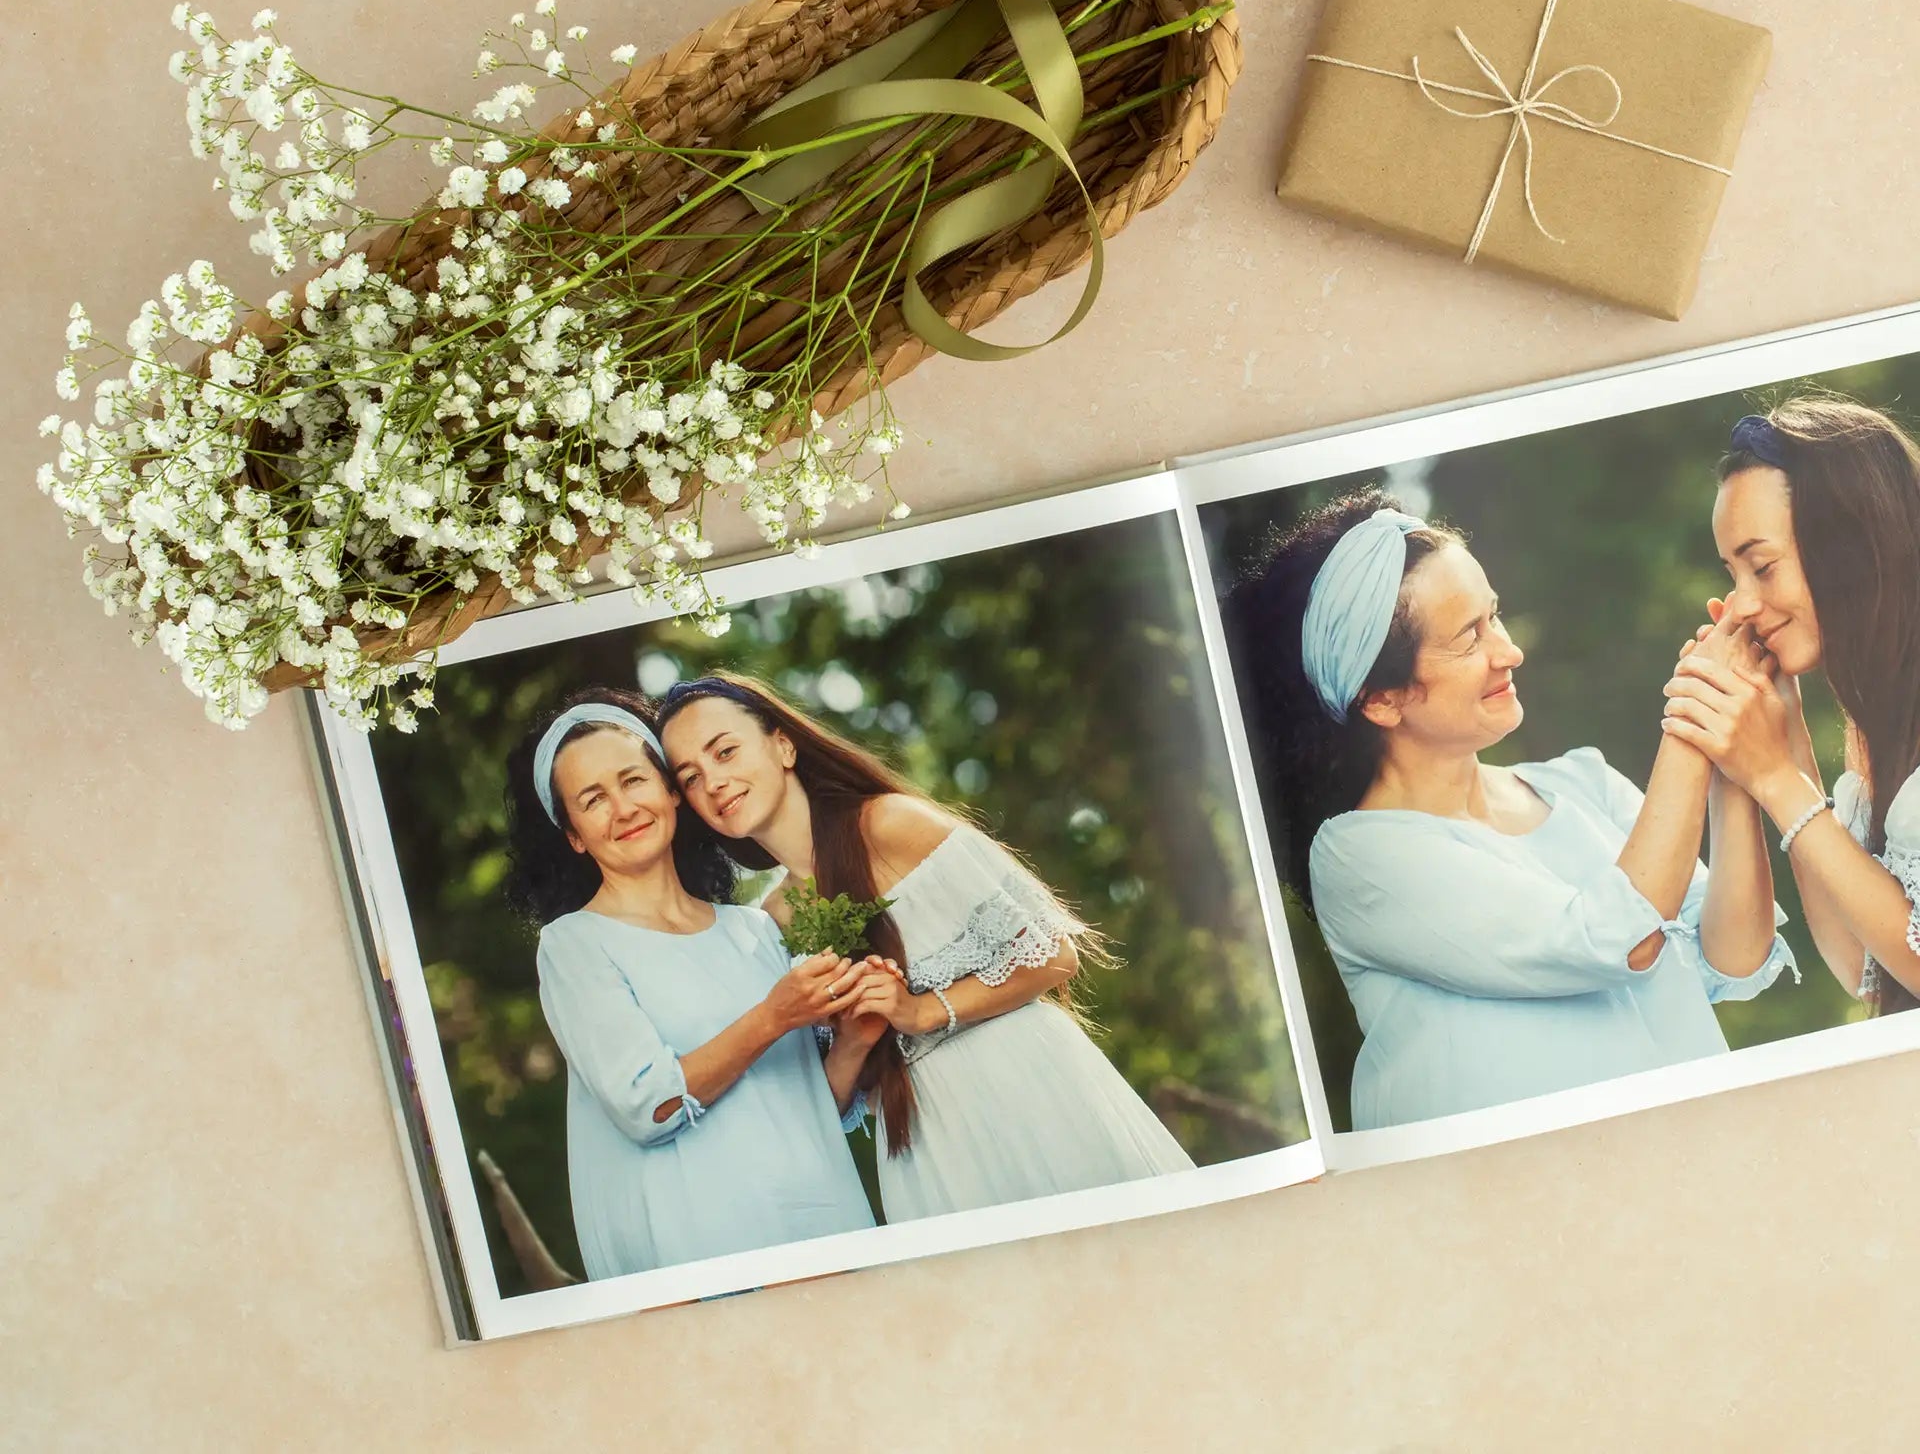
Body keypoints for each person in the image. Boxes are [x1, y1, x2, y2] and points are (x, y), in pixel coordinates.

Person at [1226, 490, 1795, 1131]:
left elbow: (1738, 956)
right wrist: (1693, 716)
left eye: (1493, 616)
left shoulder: (1583, 784)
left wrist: (1732, 748)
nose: (1508, 651)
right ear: (1382, 699)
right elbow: (1614, 938)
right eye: (1469, 638)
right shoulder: (1361, 857)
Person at [655, 672, 1195, 1223]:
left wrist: (919, 1010)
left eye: (725, 752)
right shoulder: (770, 925)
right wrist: (853, 1042)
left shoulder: (890, 823)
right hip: (919, 1141)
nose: (714, 782)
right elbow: (825, 1109)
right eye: (691, 777)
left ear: (784, 745)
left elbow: (1054, 953)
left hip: (1026, 1088)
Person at [503, 686, 881, 1280]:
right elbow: (647, 1104)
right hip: (708, 1254)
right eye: (593, 799)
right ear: (574, 834)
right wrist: (773, 1017)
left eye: (633, 780)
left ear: (672, 793)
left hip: (828, 1230)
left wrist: (856, 1040)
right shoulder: (575, 944)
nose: (624, 808)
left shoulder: (754, 930)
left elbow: (804, 1107)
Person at [1663, 398, 1920, 1014]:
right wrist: (1777, 728)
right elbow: (1865, 968)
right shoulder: (1879, 737)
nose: (1742, 602)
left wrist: (1775, 777)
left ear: (1853, 544)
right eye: (1733, 573)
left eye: (1762, 567)